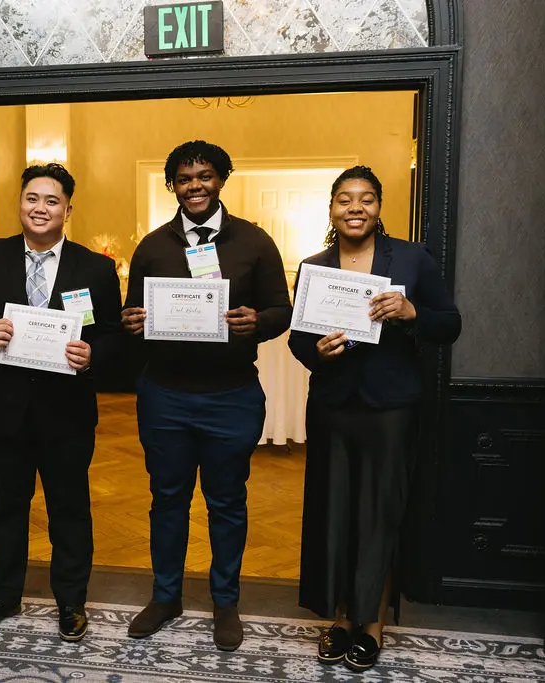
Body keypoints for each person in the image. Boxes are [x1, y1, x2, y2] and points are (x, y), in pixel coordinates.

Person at [288, 166, 461, 671]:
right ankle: (343, 619)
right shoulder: (314, 266)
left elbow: (449, 323)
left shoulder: (410, 258)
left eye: (366, 199)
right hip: (333, 406)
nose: (355, 208)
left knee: (379, 513)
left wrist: (411, 313)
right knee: (336, 512)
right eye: (345, 199)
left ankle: (373, 624)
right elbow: (298, 340)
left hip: (391, 408)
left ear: (379, 207)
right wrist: (317, 351)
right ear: (332, 209)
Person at [122, 140, 293, 651]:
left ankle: (225, 603)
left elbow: (281, 310)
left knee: (227, 502)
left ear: (221, 180)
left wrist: (257, 321)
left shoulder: (255, 242)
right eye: (184, 178)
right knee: (167, 500)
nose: (194, 185)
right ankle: (166, 597)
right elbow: (132, 314)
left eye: (204, 176)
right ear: (172, 185)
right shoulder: (152, 246)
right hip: (165, 396)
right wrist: (132, 322)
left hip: (231, 395)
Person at [0, 162, 123, 642]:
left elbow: (113, 335)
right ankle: (2, 596)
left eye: (51, 201)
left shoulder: (96, 267)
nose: (40, 208)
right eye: (31, 198)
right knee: (4, 509)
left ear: (68, 209)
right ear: (20, 203)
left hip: (67, 414)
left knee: (69, 510)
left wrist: (92, 355)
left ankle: (71, 601)